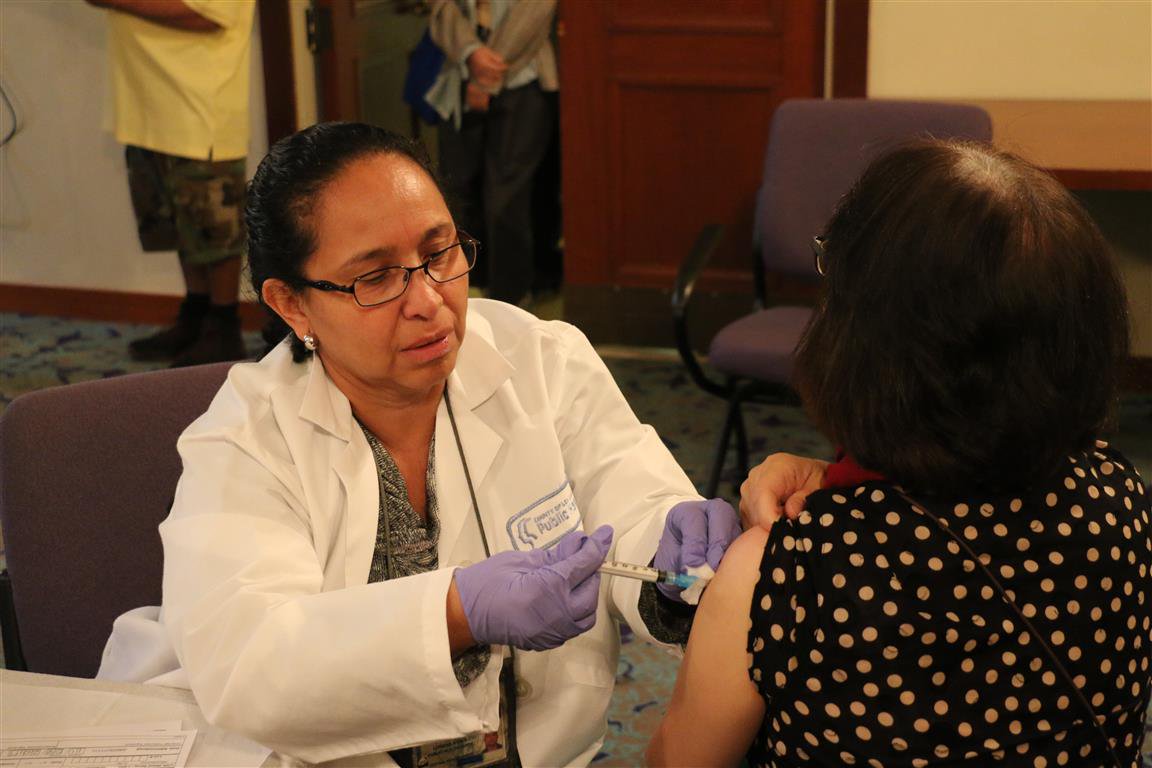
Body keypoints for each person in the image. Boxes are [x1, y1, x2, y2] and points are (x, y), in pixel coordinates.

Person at [97, 122, 741, 767]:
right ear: (292, 304)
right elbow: (252, 663)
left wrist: (666, 547)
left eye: (440, 254)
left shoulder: (542, 358)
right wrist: (457, 612)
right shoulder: (244, 440)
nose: (430, 301)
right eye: (376, 279)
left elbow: (626, 495)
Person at [647, 139, 1151, 767]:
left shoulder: (787, 571)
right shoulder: (1117, 497)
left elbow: (679, 762)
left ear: (867, 338)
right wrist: (838, 478)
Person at [86, 0, 254, 366]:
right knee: (179, 226)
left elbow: (211, 13)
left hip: (199, 108)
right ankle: (196, 315)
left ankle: (224, 329)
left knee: (215, 229)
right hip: (146, 105)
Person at [426, 0, 557, 306]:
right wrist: (470, 52)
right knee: (454, 189)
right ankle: (462, 292)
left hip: (523, 76)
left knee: (507, 198)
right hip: (459, 74)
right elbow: (442, 8)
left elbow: (535, 11)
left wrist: (485, 76)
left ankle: (509, 300)